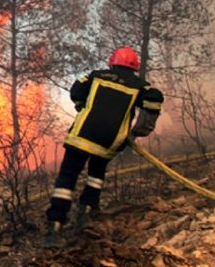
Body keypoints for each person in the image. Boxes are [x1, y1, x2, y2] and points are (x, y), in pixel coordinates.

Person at [43, 47, 164, 248]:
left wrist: (82, 106)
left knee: (67, 178)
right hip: (109, 141)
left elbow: (76, 91)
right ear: (134, 67)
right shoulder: (140, 86)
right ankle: (87, 212)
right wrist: (139, 131)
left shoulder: (96, 76)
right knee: (96, 174)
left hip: (81, 136)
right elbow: (154, 100)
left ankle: (55, 226)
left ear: (112, 63)